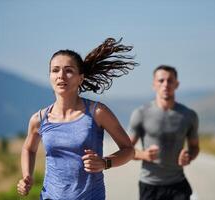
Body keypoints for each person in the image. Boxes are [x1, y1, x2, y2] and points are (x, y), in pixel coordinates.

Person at [17, 38, 137, 200]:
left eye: (68, 70)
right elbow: (29, 149)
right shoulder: (39, 119)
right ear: (50, 76)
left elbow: (128, 150)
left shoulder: (97, 112)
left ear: (80, 78)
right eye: (55, 70)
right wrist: (27, 176)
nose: (61, 76)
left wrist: (104, 163)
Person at [128, 65, 199, 200]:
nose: (165, 84)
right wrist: (144, 155)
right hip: (150, 185)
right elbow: (126, 149)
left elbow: (195, 147)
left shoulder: (189, 115)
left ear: (176, 84)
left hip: (178, 185)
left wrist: (189, 156)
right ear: (154, 85)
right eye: (161, 81)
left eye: (170, 80)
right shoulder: (141, 113)